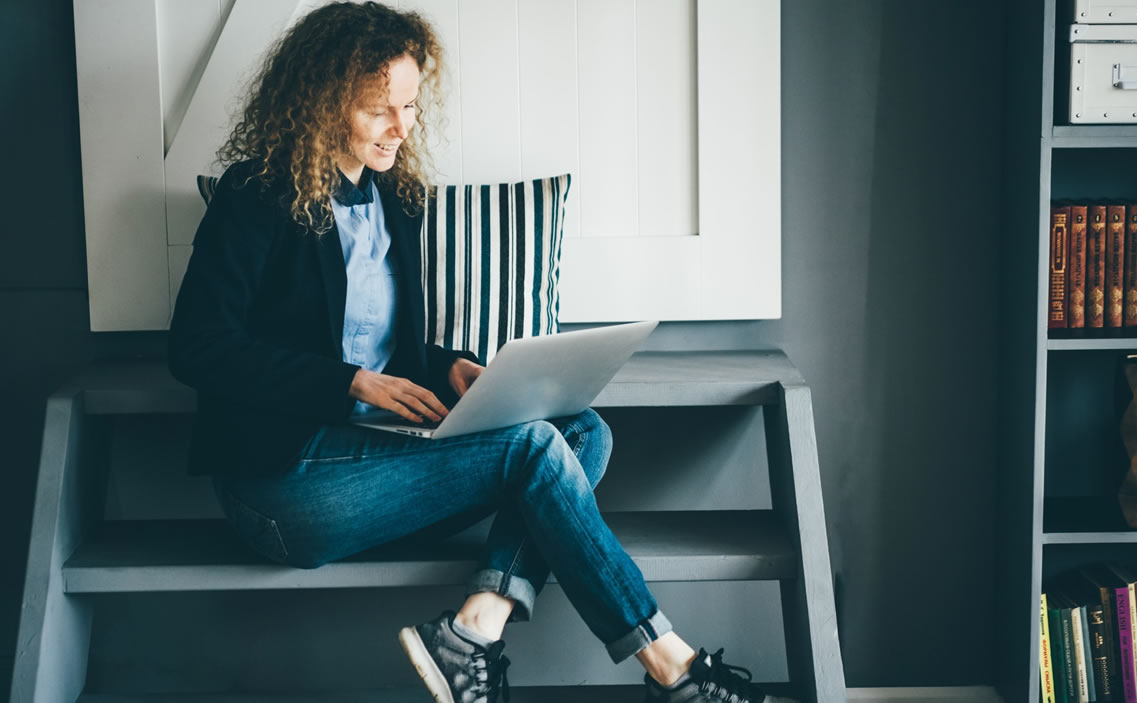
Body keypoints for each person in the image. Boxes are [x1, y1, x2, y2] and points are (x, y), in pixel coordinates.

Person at [167, 3, 801, 702]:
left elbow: (380, 339)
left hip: (378, 456)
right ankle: (672, 667)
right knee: (534, 449)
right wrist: (352, 382)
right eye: (380, 110)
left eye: (409, 105)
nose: (402, 127)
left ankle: (473, 628)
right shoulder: (256, 195)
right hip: (282, 487)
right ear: (321, 102)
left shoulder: (393, 198)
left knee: (581, 429)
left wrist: (449, 366)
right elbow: (199, 347)